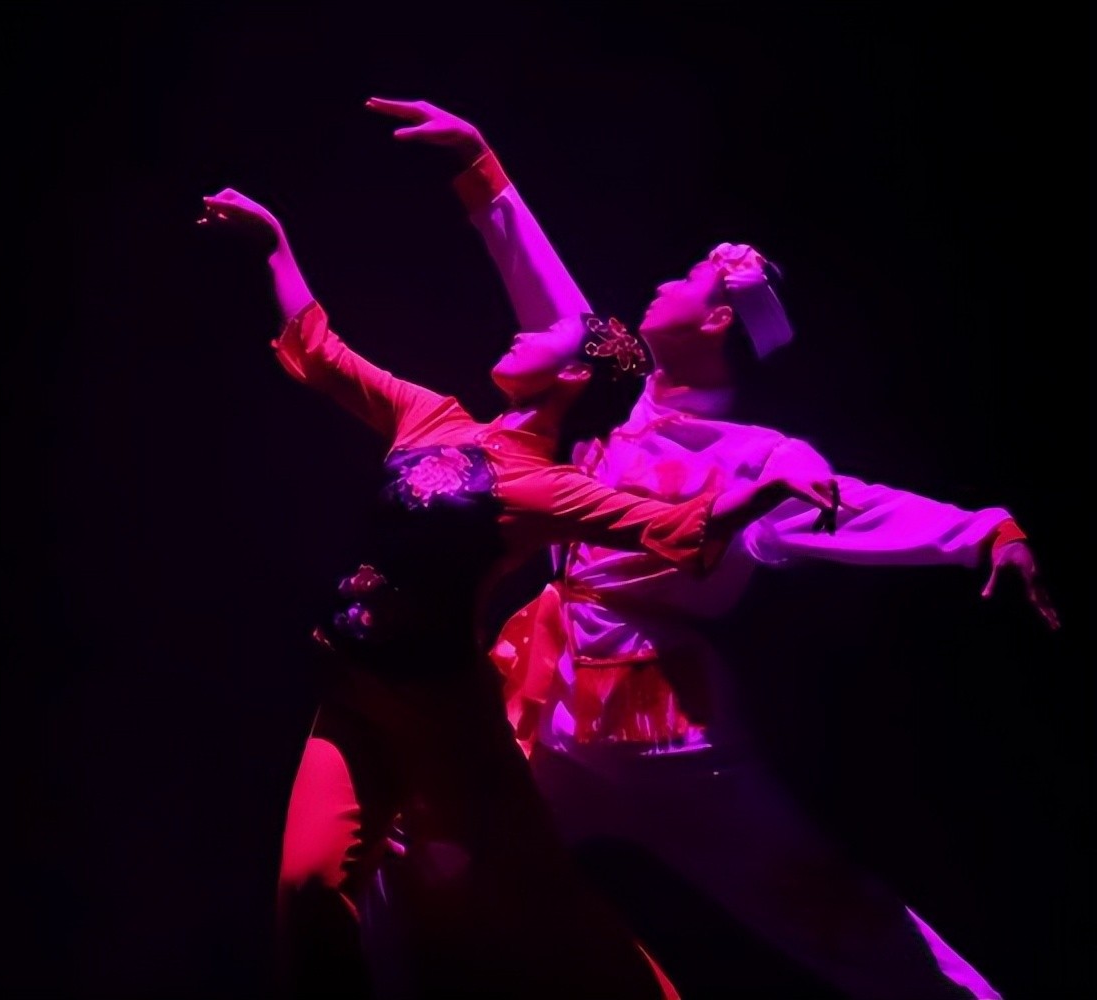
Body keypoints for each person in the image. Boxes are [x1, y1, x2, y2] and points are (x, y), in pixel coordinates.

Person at [366, 96, 1059, 1000]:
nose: (666, 280)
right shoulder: (617, 399)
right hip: (548, 692)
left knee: (826, 907)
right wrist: (478, 167)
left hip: (666, 733)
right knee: (414, 851)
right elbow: (556, 310)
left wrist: (985, 531)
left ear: (720, 319)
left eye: (692, 276)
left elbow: (857, 508)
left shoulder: (760, 458)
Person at [196, 171, 839, 999]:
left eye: (546, 335)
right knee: (309, 887)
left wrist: (766, 484)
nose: (518, 335)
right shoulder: (433, 416)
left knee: (538, 900)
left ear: (571, 378)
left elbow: (675, 529)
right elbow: (323, 354)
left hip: (446, 716)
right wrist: (274, 243)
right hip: (352, 690)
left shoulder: (549, 486)